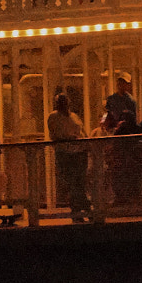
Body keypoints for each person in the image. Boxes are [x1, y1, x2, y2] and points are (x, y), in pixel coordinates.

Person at [48, 89, 89, 220]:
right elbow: (55, 134)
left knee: (80, 182)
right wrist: (69, 137)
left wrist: (86, 143)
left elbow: (82, 131)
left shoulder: (74, 116)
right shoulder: (53, 117)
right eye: (60, 102)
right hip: (65, 154)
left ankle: (80, 210)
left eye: (64, 102)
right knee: (72, 182)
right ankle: (84, 208)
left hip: (79, 153)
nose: (63, 105)